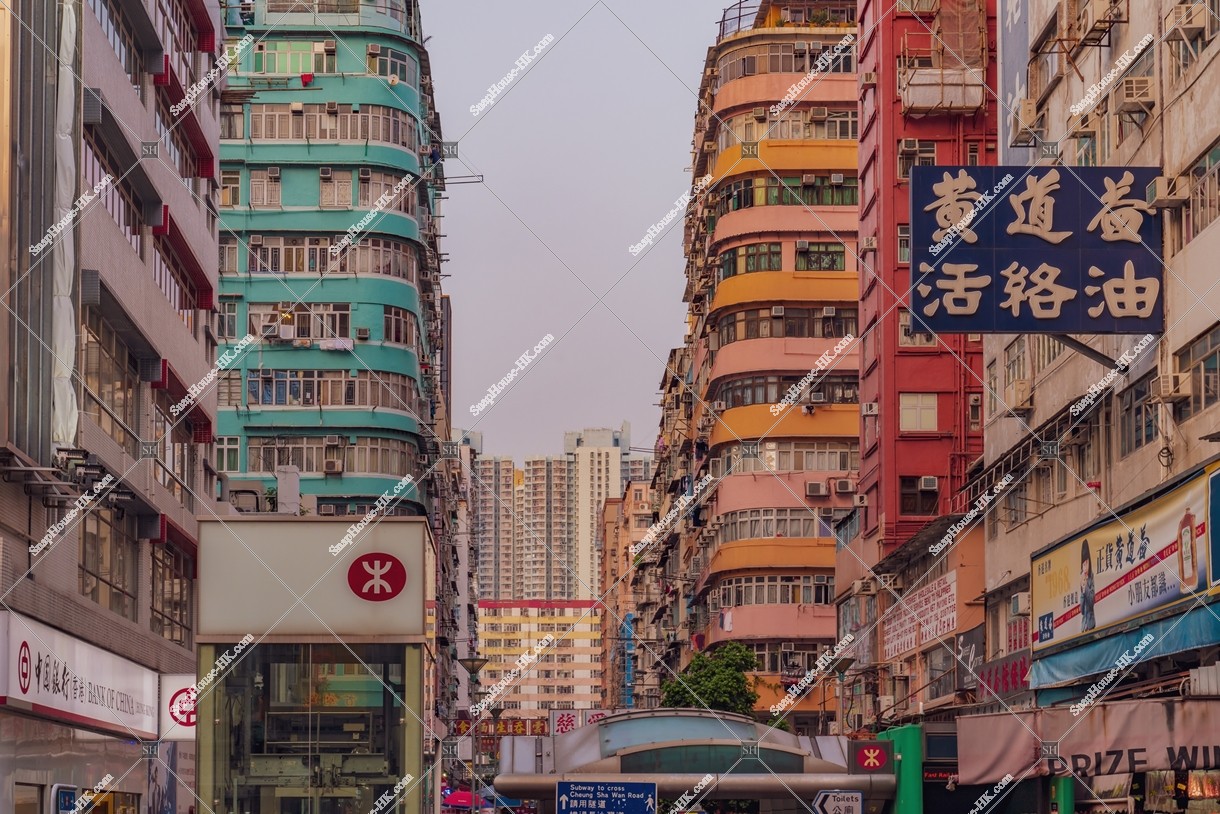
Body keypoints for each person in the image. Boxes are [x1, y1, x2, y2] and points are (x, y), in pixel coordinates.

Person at [1080, 539, 1096, 632]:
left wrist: (1085, 587)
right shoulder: (1081, 578)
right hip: (1083, 625)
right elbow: (1082, 610)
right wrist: (1082, 590)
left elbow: (1091, 603)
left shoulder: (1091, 577)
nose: (1085, 566)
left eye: (1087, 563)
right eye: (1083, 564)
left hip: (1091, 623)